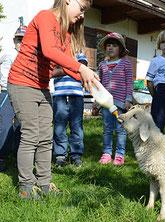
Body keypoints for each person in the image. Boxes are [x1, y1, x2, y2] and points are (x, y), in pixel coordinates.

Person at [7, 0, 99, 199]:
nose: (82, 15)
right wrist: (81, 68)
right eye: (82, 9)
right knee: (31, 134)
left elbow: (66, 66)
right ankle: (26, 186)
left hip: (41, 87)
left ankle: (44, 182)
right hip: (21, 83)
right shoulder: (45, 17)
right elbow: (49, 51)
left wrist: (87, 78)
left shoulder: (65, 34)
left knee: (46, 137)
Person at [97, 32, 133, 166]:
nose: (110, 48)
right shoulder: (102, 65)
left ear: (121, 49)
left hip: (121, 103)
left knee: (120, 129)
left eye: (114, 45)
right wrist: (97, 101)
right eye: (108, 45)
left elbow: (129, 82)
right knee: (107, 128)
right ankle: (106, 153)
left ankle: (119, 154)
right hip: (106, 103)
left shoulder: (126, 64)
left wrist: (128, 99)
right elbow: (99, 84)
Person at [52, 53, 88, 168]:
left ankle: (76, 155)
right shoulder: (56, 52)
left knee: (77, 126)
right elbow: (52, 72)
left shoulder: (79, 53)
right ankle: (60, 155)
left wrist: (62, 68)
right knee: (59, 126)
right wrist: (72, 67)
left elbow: (82, 68)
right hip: (59, 95)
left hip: (76, 96)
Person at [0, 22, 26, 172]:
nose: (20, 43)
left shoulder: (28, 57)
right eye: (18, 39)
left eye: (23, 39)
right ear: (13, 41)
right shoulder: (6, 53)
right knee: (5, 125)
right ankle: (1, 156)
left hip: (22, 93)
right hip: (6, 92)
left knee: (21, 126)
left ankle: (19, 156)